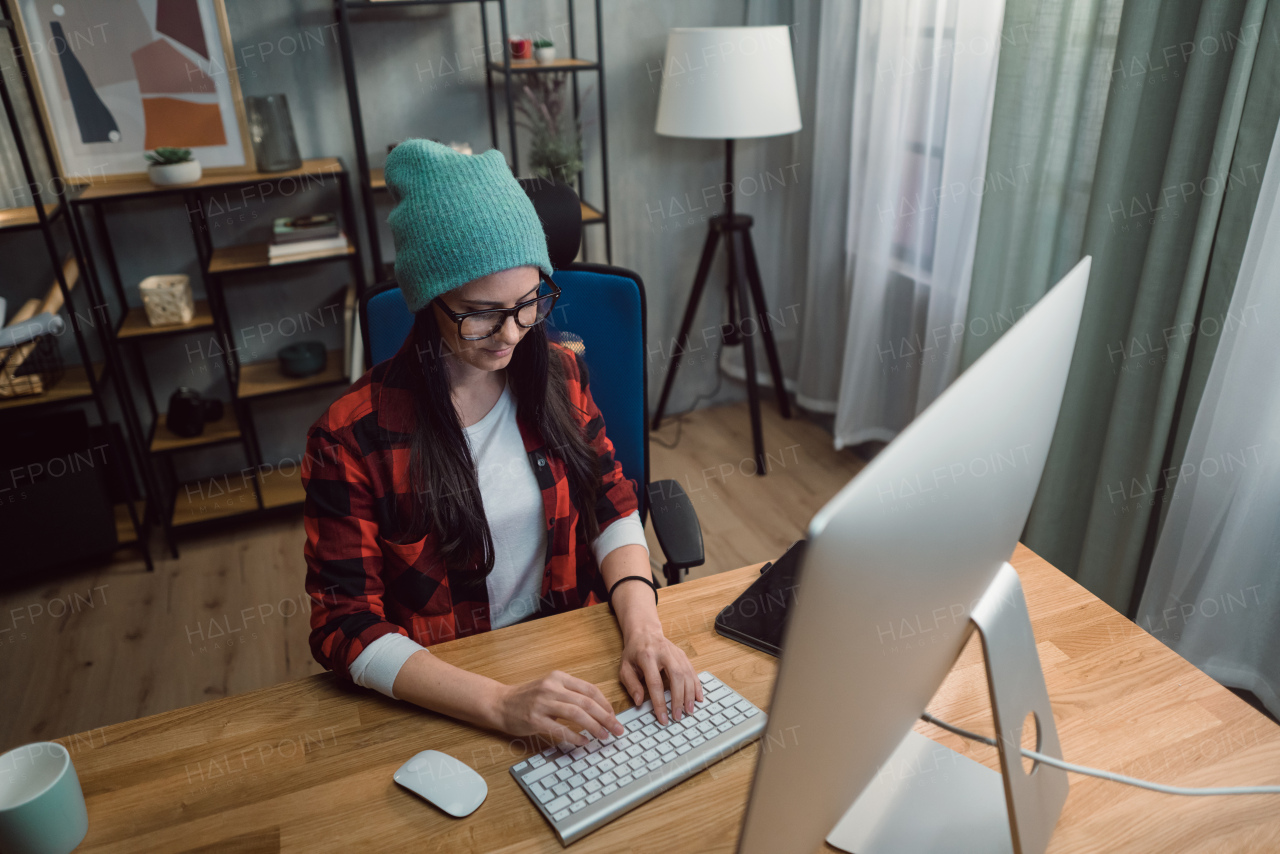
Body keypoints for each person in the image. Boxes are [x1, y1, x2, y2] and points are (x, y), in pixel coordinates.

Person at [302, 139, 701, 750]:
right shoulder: (350, 436)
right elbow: (345, 625)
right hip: (450, 687)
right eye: (480, 314)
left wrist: (645, 628)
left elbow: (610, 500)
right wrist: (499, 704)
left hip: (580, 648)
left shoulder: (561, 374)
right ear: (426, 301)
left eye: (527, 304)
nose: (511, 333)